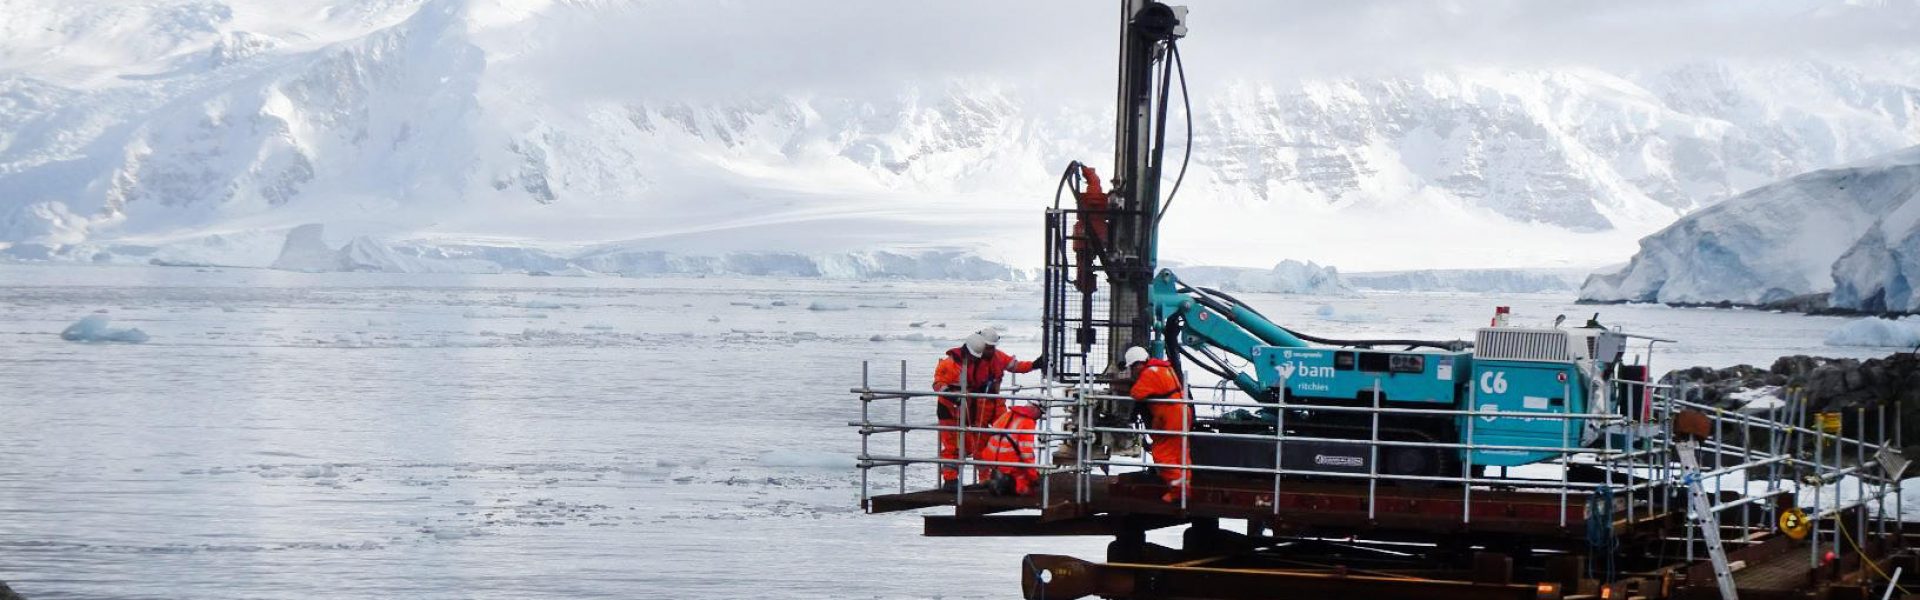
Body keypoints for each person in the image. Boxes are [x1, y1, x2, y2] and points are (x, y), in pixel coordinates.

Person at [932, 327, 1048, 492]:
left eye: (992, 347)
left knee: (984, 442)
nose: (990, 350)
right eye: (988, 347)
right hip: (951, 409)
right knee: (953, 445)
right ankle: (950, 480)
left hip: (978, 406)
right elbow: (938, 384)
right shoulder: (951, 364)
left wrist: (1034, 365)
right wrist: (950, 395)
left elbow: (1014, 365)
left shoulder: (995, 357)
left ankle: (986, 479)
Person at [1123, 346, 1190, 503]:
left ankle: (1178, 493)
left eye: (1132, 368)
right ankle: (1184, 490)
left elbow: (1136, 394)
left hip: (1171, 417)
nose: (1133, 372)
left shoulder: (1149, 373)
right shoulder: (1162, 368)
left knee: (1163, 454)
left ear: (1138, 364)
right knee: (1180, 455)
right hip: (1182, 413)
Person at [978, 402, 1044, 496]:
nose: (1038, 418)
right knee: (1026, 487)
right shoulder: (1027, 423)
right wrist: (1034, 477)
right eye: (1040, 414)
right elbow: (1026, 455)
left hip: (993, 462)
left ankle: (996, 483)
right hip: (1009, 465)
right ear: (1036, 410)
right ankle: (1005, 486)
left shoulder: (1007, 415)